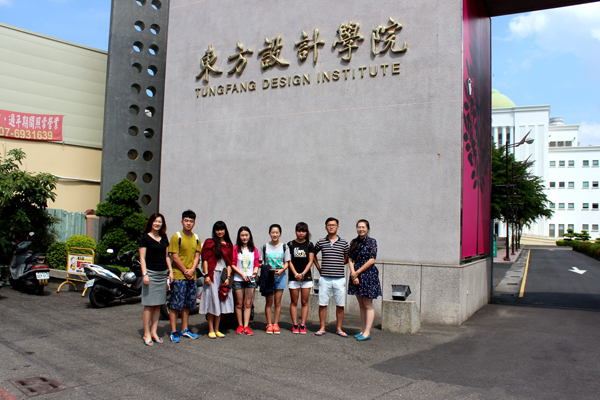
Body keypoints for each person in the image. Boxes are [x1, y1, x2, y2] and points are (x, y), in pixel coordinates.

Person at [167, 210, 202, 343]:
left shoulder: (196, 238)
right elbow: (175, 257)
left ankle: (184, 329)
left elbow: (197, 256)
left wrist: (192, 270)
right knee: (175, 305)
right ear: (182, 222)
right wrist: (186, 271)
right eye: (186, 221)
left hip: (192, 276)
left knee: (188, 304)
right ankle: (173, 331)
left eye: (191, 221)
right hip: (179, 276)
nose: (188, 223)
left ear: (194, 223)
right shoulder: (176, 237)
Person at [139, 213, 174, 346]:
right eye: (155, 221)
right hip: (151, 274)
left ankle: (154, 332)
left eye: (160, 221)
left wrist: (170, 271)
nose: (157, 223)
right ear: (151, 223)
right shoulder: (145, 238)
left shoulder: (164, 238)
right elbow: (142, 258)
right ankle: (146, 333)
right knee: (148, 305)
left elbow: (166, 257)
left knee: (158, 305)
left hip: (162, 274)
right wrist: (145, 274)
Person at [313, 217, 349, 337]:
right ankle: (322, 328)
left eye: (333, 225)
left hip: (339, 278)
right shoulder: (321, 242)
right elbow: (313, 255)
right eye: (329, 225)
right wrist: (319, 268)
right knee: (322, 303)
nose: (331, 227)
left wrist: (338, 264)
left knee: (340, 304)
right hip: (325, 278)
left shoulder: (344, 243)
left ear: (337, 227)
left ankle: (339, 329)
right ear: (326, 227)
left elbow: (347, 258)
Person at [199, 221, 234, 339]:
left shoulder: (228, 245)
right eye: (217, 229)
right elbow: (205, 259)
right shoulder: (210, 242)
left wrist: (228, 278)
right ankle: (211, 329)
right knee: (211, 301)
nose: (220, 232)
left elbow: (229, 263)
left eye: (222, 229)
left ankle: (217, 329)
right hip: (212, 275)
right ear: (214, 231)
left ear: (225, 230)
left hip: (223, 276)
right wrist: (206, 275)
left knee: (220, 302)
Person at [348, 219, 381, 341]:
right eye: (359, 227)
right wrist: (353, 274)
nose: (361, 229)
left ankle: (367, 332)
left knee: (368, 304)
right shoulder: (354, 242)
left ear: (367, 229)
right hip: (355, 274)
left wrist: (357, 272)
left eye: (363, 227)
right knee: (361, 304)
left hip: (368, 274)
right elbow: (350, 259)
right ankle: (362, 330)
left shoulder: (372, 242)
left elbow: (372, 260)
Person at [259, 224, 290, 334]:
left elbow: (287, 263)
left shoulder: (285, 247)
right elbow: (260, 262)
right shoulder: (264, 247)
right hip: (268, 276)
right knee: (269, 302)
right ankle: (269, 324)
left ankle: (276, 324)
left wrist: (281, 270)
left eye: (277, 232)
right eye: (273, 232)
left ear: (280, 233)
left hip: (280, 276)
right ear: (270, 233)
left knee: (277, 302)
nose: (275, 234)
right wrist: (266, 269)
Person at [287, 222, 315, 334]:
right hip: (293, 277)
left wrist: (302, 274)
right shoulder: (290, 244)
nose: (301, 233)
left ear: (306, 232)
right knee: (294, 302)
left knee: (304, 302)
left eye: (303, 231)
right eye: (299, 231)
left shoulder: (309, 245)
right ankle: (295, 324)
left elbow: (310, 261)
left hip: (306, 278)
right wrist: (295, 274)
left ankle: (303, 324)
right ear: (296, 231)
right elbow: (289, 261)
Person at [231, 226, 260, 336]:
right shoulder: (235, 248)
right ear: (239, 236)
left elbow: (256, 263)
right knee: (239, 304)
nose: (244, 237)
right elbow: (232, 264)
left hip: (250, 280)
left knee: (248, 304)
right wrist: (242, 274)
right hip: (238, 279)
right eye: (242, 235)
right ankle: (240, 325)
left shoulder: (254, 249)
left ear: (249, 236)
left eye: (246, 235)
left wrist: (255, 272)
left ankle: (246, 326)